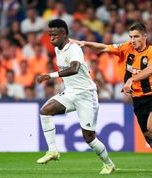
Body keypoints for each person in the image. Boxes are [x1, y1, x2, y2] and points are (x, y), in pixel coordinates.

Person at [70, 22, 152, 175]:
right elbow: (104, 47)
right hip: (138, 101)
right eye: (130, 37)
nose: (133, 40)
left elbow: (151, 69)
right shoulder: (126, 48)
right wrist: (85, 43)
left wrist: (132, 79)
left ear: (145, 36)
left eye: (136, 36)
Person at [36, 19, 115, 175]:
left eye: (54, 34)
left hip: (86, 95)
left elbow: (74, 68)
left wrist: (49, 76)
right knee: (45, 111)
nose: (51, 37)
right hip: (71, 92)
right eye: (49, 34)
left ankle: (109, 164)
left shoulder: (74, 49)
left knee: (89, 138)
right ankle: (53, 151)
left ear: (64, 33)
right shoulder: (59, 49)